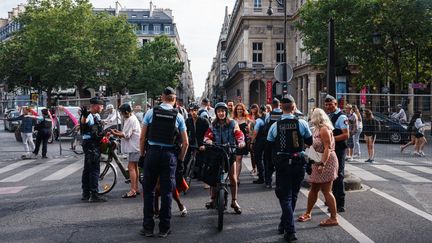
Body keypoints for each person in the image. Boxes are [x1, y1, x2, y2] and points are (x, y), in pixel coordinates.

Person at [139, 87, 189, 238]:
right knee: (167, 193)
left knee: (148, 192)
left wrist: (142, 155)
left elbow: (142, 138)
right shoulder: (178, 116)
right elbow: (185, 142)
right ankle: (164, 228)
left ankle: (148, 228)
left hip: (152, 153)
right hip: (169, 156)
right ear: (174, 100)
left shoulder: (150, 112)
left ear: (161, 97)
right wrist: (179, 160)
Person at [266, 95, 313, 242]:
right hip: (298, 162)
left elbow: (269, 146)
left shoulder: (275, 125)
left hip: (283, 163)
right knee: (293, 196)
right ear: (294, 107)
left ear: (281, 109)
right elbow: (310, 141)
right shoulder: (302, 123)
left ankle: (290, 230)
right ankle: (284, 224)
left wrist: (270, 166)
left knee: (284, 197)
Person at [202, 102, 246, 214]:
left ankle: (234, 201)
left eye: (223, 111)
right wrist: (208, 141)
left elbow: (239, 134)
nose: (221, 113)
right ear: (216, 113)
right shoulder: (212, 124)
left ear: (226, 112)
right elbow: (207, 136)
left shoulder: (232, 123)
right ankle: (212, 199)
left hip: (230, 152)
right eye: (219, 111)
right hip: (216, 152)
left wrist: (241, 142)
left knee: (233, 177)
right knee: (213, 176)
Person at [298, 108, 339, 227]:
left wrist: (322, 164)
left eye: (312, 115)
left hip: (326, 161)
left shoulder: (324, 129)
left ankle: (334, 218)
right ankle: (308, 213)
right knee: (314, 189)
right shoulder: (317, 129)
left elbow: (327, 148)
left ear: (317, 117)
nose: (310, 117)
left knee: (326, 191)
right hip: (318, 161)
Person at [110, 103, 141, 198]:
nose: (122, 115)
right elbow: (126, 133)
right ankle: (135, 188)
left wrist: (114, 134)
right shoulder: (132, 118)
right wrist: (117, 132)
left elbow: (126, 135)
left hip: (134, 147)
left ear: (126, 112)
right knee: (135, 167)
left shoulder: (130, 120)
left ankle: (133, 190)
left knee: (131, 167)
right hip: (135, 146)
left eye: (122, 113)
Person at [324, 95, 349, 213]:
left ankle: (340, 203)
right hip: (331, 149)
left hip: (339, 149)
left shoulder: (341, 117)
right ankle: (331, 199)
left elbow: (346, 135)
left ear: (336, 104)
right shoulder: (328, 116)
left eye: (330, 104)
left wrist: (331, 139)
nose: (328, 106)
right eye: (326, 104)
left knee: (338, 175)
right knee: (330, 174)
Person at [80, 97, 106, 202]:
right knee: (94, 170)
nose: (103, 108)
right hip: (91, 145)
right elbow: (84, 123)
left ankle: (86, 193)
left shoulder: (96, 115)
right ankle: (94, 194)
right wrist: (84, 117)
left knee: (87, 169)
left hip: (91, 144)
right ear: (96, 106)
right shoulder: (88, 116)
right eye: (102, 106)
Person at [185, 102, 210, 188]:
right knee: (185, 160)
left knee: (203, 162)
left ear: (198, 111)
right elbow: (184, 132)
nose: (193, 112)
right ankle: (183, 179)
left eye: (195, 110)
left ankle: (206, 182)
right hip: (191, 143)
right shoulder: (188, 121)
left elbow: (208, 134)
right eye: (191, 111)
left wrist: (204, 144)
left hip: (201, 144)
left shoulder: (204, 121)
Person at [264, 98, 283, 189]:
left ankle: (268, 181)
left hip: (272, 140)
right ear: (279, 104)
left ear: (272, 105)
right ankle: (279, 181)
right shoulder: (283, 114)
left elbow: (266, 124)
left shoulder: (269, 114)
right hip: (282, 140)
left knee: (269, 161)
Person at [233, 103, 250, 184]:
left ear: (243, 110)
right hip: (233, 141)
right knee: (234, 160)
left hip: (242, 141)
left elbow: (250, 131)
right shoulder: (233, 119)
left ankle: (237, 178)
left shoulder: (246, 119)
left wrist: (248, 131)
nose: (239, 110)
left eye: (241, 109)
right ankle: (234, 176)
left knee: (239, 159)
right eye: (238, 109)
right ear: (236, 110)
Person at [250, 104, 266, 184]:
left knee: (258, 159)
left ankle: (261, 178)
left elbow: (255, 132)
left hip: (259, 141)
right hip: (265, 141)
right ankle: (265, 177)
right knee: (263, 159)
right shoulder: (265, 119)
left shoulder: (258, 121)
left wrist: (252, 142)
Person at [248, 104, 261, 175]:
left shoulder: (258, 117)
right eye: (252, 109)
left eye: (254, 109)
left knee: (256, 154)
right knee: (252, 154)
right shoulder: (249, 116)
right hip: (250, 136)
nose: (253, 110)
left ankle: (257, 169)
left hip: (256, 137)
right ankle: (254, 168)